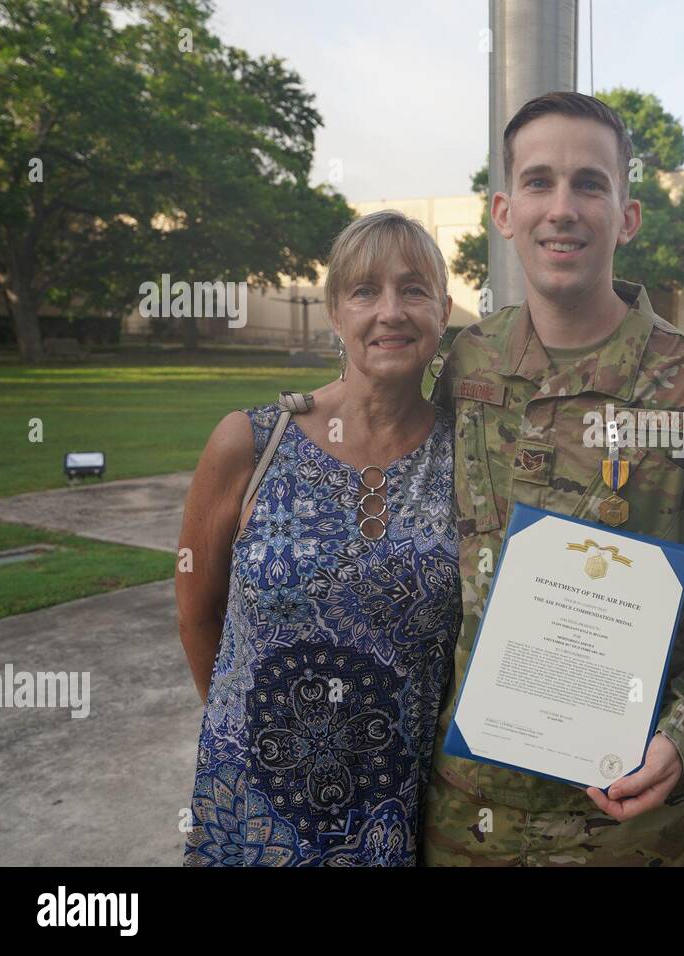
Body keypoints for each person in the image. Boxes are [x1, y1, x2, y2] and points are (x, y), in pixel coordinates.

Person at [423, 91, 684, 866]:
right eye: (539, 182)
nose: (563, 208)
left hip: (624, 824)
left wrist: (683, 734)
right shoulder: (468, 364)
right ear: (503, 210)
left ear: (628, 216)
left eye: (590, 183)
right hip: (465, 815)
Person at [176, 210, 462, 866]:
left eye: (413, 290)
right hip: (252, 805)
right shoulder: (250, 442)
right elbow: (197, 613)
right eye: (365, 291)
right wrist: (250, 727)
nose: (390, 310)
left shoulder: (467, 459)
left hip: (393, 814)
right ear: (336, 311)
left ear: (443, 310)